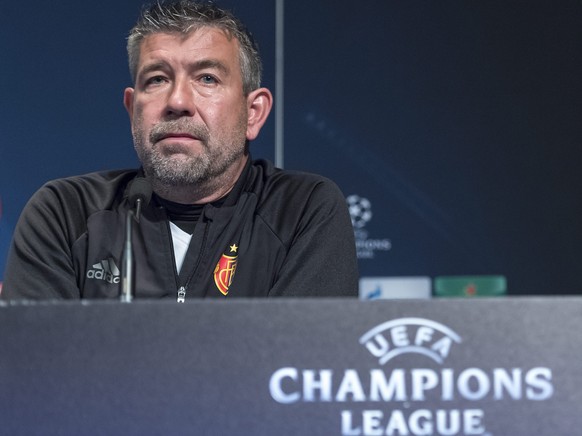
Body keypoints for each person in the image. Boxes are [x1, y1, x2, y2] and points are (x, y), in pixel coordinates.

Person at [1, 0, 358, 301]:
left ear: (253, 113)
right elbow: (38, 373)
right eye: (157, 79)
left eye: (207, 78)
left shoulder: (301, 211)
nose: (177, 101)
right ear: (132, 109)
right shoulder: (66, 214)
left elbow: (294, 371)